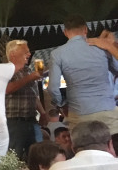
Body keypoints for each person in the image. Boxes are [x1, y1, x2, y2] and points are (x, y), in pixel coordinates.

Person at [48, 15, 118, 145]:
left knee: (84, 149)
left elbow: (52, 88)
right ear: (85, 29)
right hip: (107, 109)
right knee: (112, 148)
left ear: (65, 32)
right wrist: (111, 45)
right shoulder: (102, 47)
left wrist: (62, 103)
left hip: (79, 112)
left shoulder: (57, 54)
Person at [4, 40, 48, 159]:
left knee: (39, 155)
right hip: (14, 121)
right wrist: (29, 78)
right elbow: (8, 89)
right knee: (14, 156)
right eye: (25, 52)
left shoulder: (28, 70)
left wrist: (43, 112)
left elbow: (33, 94)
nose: (29, 54)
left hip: (31, 119)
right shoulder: (6, 70)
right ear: (13, 54)